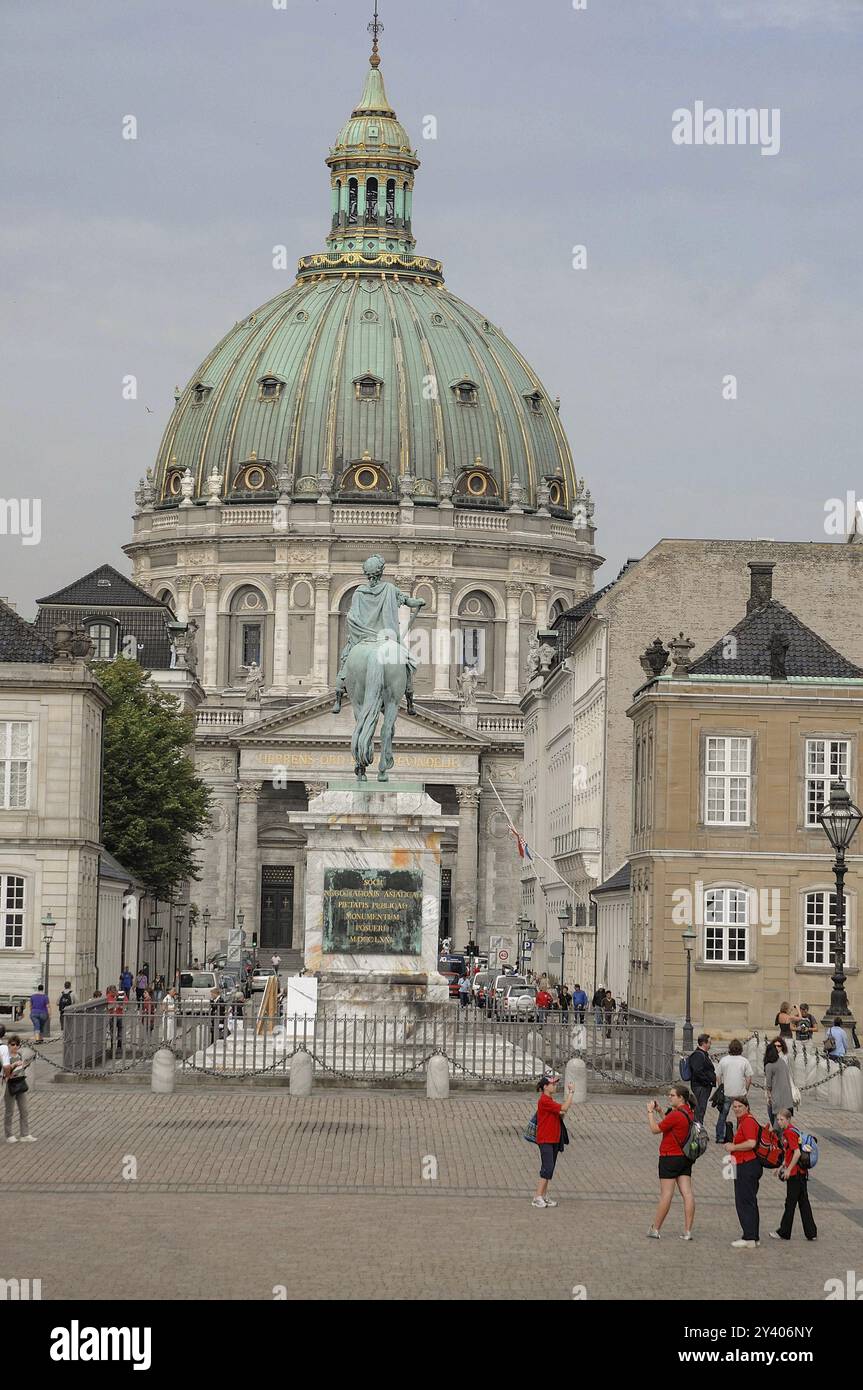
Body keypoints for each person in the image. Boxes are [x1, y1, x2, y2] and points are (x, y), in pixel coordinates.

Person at [646, 1084, 696, 1240]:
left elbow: (655, 1129)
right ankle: (688, 1231)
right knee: (687, 1193)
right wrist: (661, 1111)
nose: (669, 1097)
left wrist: (649, 1113)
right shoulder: (688, 1112)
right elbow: (671, 1125)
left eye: (672, 1095)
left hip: (669, 1157)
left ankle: (655, 1228)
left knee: (666, 1194)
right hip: (685, 1158)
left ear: (681, 1098)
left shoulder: (676, 1115)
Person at [770, 1109, 817, 1242]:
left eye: (782, 1119)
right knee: (803, 1202)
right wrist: (780, 1167)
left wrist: (789, 1170)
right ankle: (811, 1232)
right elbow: (788, 1154)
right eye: (778, 1119)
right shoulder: (793, 1130)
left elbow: (796, 1153)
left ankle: (784, 1232)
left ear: (788, 1119)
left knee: (790, 1203)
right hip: (801, 1173)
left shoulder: (789, 1133)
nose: (779, 1122)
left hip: (796, 1174)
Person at [532, 1070, 575, 1208]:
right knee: (547, 1168)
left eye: (555, 1084)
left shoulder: (549, 1100)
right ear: (545, 1086)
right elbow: (564, 1107)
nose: (555, 1086)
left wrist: (561, 1113)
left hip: (554, 1139)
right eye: (552, 1084)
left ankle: (543, 1196)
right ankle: (537, 1197)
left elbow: (560, 1112)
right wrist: (571, 1093)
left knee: (549, 1169)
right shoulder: (544, 1100)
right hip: (545, 1139)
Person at [725, 1097, 762, 1248]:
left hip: (746, 1165)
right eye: (734, 1107)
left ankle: (749, 1237)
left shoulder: (747, 1121)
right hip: (744, 1164)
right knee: (749, 1201)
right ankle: (753, 1235)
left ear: (747, 1107)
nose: (737, 1109)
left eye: (740, 1106)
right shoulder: (745, 1121)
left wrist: (733, 1147)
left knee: (744, 1201)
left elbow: (751, 1143)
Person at [714, 1038, 753, 1144]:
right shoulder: (744, 1061)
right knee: (742, 1115)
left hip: (727, 1091)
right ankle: (742, 1135)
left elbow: (717, 1075)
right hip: (740, 1092)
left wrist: (720, 1086)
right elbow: (749, 1077)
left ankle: (720, 1136)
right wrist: (746, 1089)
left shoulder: (724, 1060)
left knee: (723, 1114)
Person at [3, 1036, 35, 1143]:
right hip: (9, 1084)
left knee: (24, 1110)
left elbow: (21, 1069)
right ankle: (9, 1134)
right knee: (9, 1111)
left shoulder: (20, 1055)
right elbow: (4, 1071)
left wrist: (25, 1064)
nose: (15, 1047)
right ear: (8, 1045)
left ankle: (24, 1134)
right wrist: (13, 1065)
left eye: (17, 1045)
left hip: (20, 1083)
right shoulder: (5, 1057)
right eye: (12, 1044)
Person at [764, 1040, 794, 1127]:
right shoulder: (782, 1062)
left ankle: (777, 1139)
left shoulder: (769, 1065)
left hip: (777, 1098)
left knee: (776, 1123)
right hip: (787, 1098)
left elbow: (768, 1085)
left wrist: (769, 1096)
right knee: (785, 1124)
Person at [687, 1034, 716, 1123]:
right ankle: (697, 1130)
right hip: (700, 1087)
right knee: (699, 1110)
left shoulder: (703, 1054)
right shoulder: (698, 1055)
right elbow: (697, 1071)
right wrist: (708, 1081)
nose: (710, 1045)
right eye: (709, 1043)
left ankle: (698, 1128)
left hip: (703, 1087)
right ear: (704, 1043)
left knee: (701, 1110)